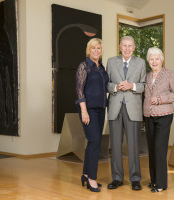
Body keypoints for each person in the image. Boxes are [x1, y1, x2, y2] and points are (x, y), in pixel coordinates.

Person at [106, 36, 146, 190]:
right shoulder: (111, 62)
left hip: (133, 109)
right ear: (120, 47)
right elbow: (106, 84)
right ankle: (117, 178)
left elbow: (143, 85)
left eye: (130, 46)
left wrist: (132, 86)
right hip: (115, 108)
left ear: (134, 47)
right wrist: (116, 87)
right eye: (124, 46)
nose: (127, 48)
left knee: (134, 145)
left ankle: (135, 179)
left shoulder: (141, 63)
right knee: (115, 145)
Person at [143, 47, 174, 193]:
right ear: (148, 60)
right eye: (151, 59)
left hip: (164, 114)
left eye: (157, 58)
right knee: (151, 148)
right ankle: (153, 181)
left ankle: (161, 183)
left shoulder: (170, 74)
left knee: (159, 148)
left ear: (162, 59)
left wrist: (159, 99)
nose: (154, 61)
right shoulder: (146, 76)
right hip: (149, 115)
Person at [75, 38, 109, 192]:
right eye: (93, 48)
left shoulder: (101, 68)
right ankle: (92, 179)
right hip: (88, 109)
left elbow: (105, 88)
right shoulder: (84, 66)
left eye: (99, 48)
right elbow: (79, 89)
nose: (96, 51)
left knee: (93, 142)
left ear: (101, 51)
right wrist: (83, 111)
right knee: (95, 141)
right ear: (89, 50)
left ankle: (86, 174)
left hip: (101, 109)